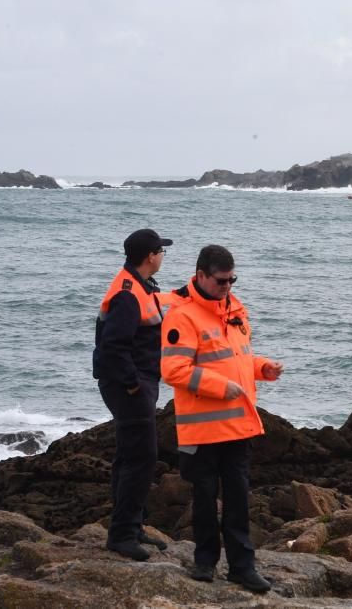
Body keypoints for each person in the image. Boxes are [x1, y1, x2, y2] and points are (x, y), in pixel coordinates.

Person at [161, 244, 283, 593]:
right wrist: (219, 386)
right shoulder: (182, 316)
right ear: (201, 276)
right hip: (202, 427)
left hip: (237, 425)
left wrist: (263, 368)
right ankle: (204, 562)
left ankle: (242, 567)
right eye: (221, 281)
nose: (227, 286)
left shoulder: (236, 310)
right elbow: (173, 370)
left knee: (238, 498)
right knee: (203, 496)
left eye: (232, 280)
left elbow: (238, 359)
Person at [93, 228, 175, 561]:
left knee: (130, 456)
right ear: (150, 256)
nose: (163, 256)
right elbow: (113, 346)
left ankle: (132, 524)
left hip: (138, 382)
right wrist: (133, 385)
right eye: (162, 251)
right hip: (129, 385)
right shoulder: (128, 293)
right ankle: (123, 535)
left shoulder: (140, 285)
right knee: (141, 458)